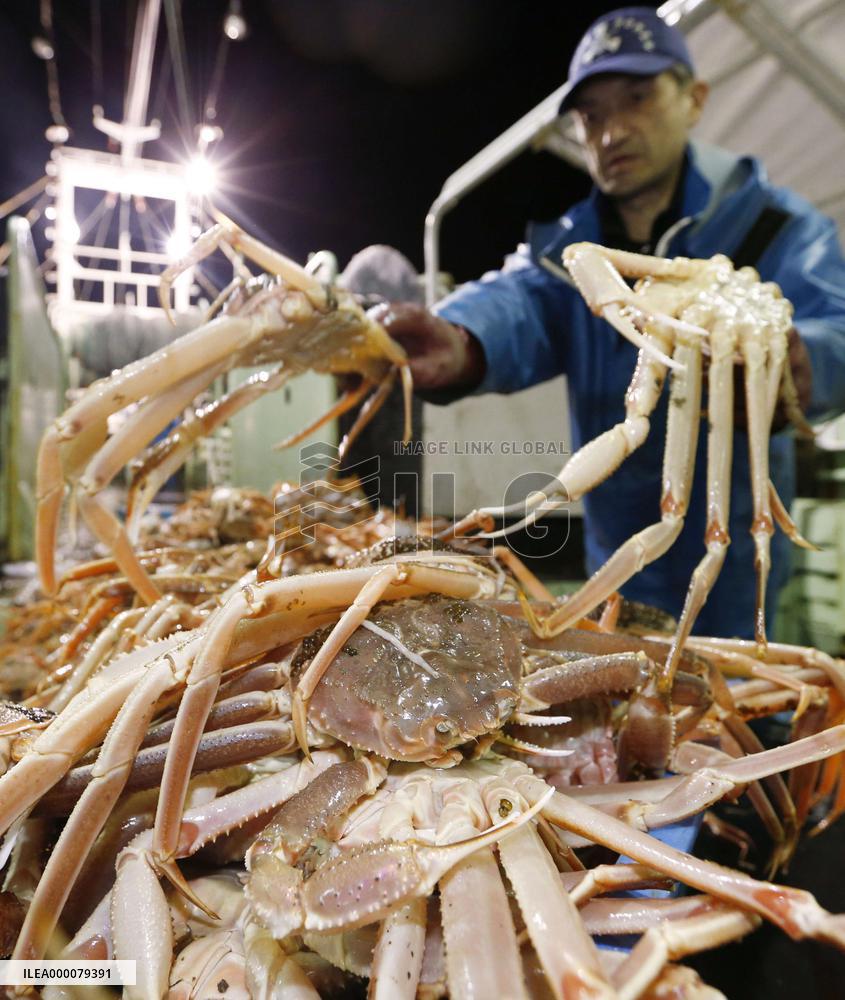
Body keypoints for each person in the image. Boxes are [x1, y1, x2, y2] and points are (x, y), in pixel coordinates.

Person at [374, 6, 845, 639]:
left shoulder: (778, 230)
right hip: (615, 572)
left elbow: (836, 324)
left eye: (639, 97)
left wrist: (800, 363)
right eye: (591, 114)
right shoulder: (572, 256)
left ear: (695, 99)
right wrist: (460, 339)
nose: (612, 130)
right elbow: (519, 303)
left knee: (753, 714)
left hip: (742, 571)